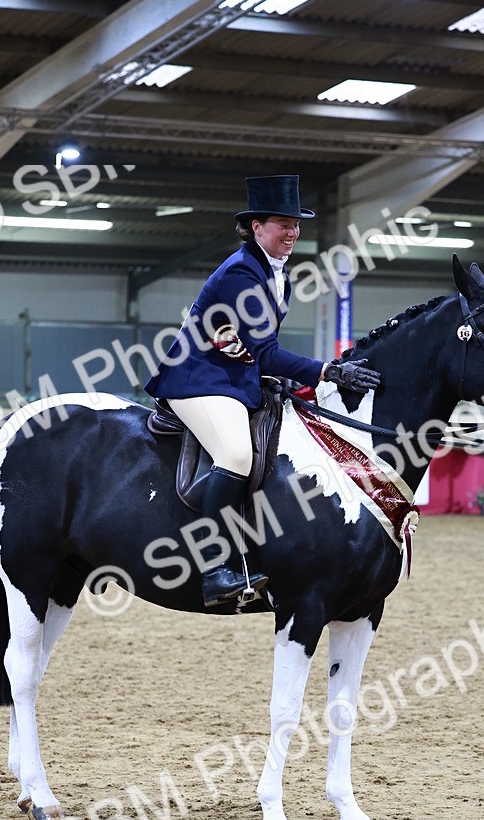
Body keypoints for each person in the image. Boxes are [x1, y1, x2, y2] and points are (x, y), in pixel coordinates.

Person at [145, 174, 379, 608]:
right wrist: (326, 371)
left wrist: (289, 378)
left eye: (296, 225)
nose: (291, 233)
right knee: (235, 454)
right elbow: (267, 351)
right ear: (256, 228)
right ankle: (214, 568)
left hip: (233, 378)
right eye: (282, 224)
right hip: (197, 378)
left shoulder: (275, 273)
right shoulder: (240, 273)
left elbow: (257, 350)